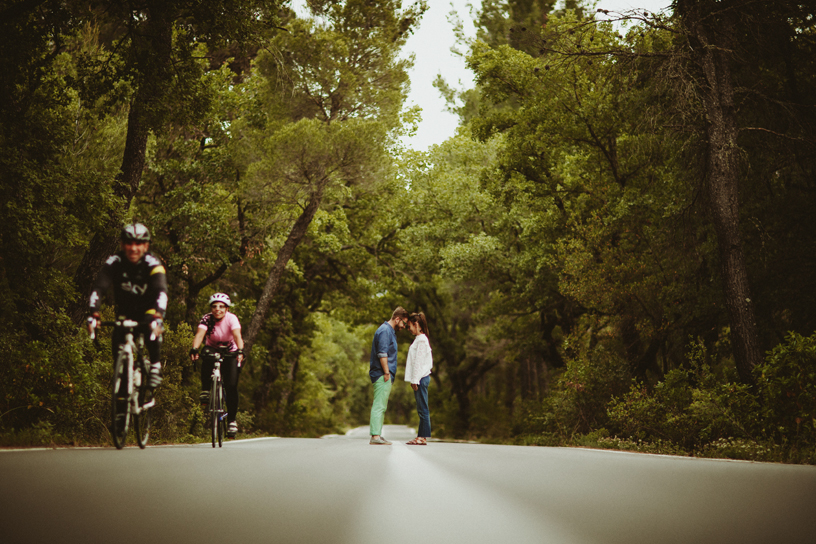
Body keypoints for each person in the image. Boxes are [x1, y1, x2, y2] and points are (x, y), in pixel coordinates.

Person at [86, 223, 167, 391]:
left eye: (138, 244)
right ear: (122, 244)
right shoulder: (114, 261)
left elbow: (161, 291)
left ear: (146, 246)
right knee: (118, 359)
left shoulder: (153, 263)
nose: (133, 248)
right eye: (129, 243)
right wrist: (94, 312)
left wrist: (158, 316)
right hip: (125, 314)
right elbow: (99, 287)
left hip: (148, 310)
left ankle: (155, 366)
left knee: (151, 328)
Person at [189, 293, 244, 438]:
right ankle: (206, 389)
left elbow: (237, 335)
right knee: (206, 354)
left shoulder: (231, 318)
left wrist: (240, 350)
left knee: (231, 386)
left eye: (221, 306)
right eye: (214, 306)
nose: (217, 309)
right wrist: (194, 348)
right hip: (212, 348)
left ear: (226, 308)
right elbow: (200, 335)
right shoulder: (207, 319)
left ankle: (232, 421)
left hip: (230, 350)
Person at [368, 306, 409, 445]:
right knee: (379, 404)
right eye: (404, 323)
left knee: (381, 405)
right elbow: (382, 354)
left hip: (383, 373)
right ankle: (375, 436)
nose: (404, 326)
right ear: (397, 319)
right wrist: (386, 372)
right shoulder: (385, 330)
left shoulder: (388, 331)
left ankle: (377, 434)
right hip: (382, 373)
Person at [404, 312, 433, 445]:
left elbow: (419, 362)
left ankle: (423, 437)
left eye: (409, 326)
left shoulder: (421, 340)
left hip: (421, 378)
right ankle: (420, 436)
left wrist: (415, 380)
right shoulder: (420, 339)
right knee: (421, 407)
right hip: (420, 377)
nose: (408, 329)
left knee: (423, 408)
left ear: (416, 325)